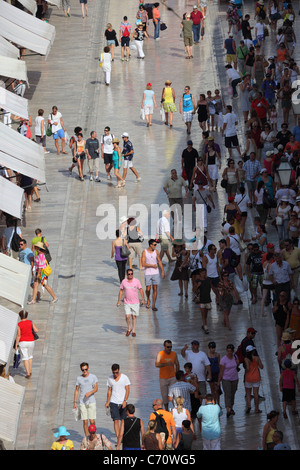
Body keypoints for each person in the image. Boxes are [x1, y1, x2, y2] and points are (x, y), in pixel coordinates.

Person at [105, 364, 131, 438]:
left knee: (123, 421)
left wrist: (125, 400)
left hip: (122, 402)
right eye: (114, 373)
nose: (115, 374)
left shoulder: (124, 378)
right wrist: (107, 401)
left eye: (116, 372)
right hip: (113, 402)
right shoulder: (110, 378)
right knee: (116, 420)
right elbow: (109, 390)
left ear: (119, 370)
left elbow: (127, 389)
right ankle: (118, 438)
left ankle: (123, 436)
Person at [117, 268, 145, 337]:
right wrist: (119, 300)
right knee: (127, 316)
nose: (130, 275)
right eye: (129, 274)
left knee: (134, 316)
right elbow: (121, 291)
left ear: (133, 274)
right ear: (127, 274)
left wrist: (143, 299)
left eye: (131, 274)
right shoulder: (124, 281)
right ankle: (129, 328)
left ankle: (134, 330)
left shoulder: (136, 281)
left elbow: (140, 290)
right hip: (127, 302)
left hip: (135, 302)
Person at [73, 362, 98, 437]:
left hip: (91, 401)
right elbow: (76, 390)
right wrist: (74, 402)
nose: (84, 371)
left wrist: (90, 393)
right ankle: (87, 438)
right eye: (83, 370)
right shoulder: (79, 378)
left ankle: (93, 435)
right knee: (85, 421)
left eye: (86, 369)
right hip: (82, 402)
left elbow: (96, 388)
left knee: (92, 421)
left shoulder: (93, 377)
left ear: (88, 368)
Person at [155, 340, 179, 410]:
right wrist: (166, 364)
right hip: (163, 378)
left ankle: (176, 409)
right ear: (164, 347)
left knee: (175, 395)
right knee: (165, 396)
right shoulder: (160, 354)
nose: (169, 349)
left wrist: (177, 375)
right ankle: (166, 410)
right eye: (168, 347)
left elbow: (177, 364)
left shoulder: (174, 354)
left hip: (172, 377)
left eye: (171, 347)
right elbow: (156, 364)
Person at [142, 239, 165, 311]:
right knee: (148, 289)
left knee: (155, 288)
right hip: (148, 273)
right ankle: (148, 299)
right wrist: (152, 266)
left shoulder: (156, 252)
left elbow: (159, 261)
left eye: (156, 245)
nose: (156, 246)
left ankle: (153, 305)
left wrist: (163, 271)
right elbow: (143, 264)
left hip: (155, 273)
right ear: (150, 245)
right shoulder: (144, 252)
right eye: (154, 245)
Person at [15, 310, 38, 379]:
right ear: (26, 316)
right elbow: (36, 330)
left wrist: (16, 345)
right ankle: (30, 371)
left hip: (23, 342)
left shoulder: (19, 324)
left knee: (25, 357)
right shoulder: (30, 322)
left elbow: (18, 335)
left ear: (20, 316)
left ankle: (27, 373)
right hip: (31, 341)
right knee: (30, 356)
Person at [217, 344, 239, 418]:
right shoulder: (223, 360)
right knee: (227, 394)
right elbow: (221, 371)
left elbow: (237, 365)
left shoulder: (235, 357)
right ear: (226, 351)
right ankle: (228, 409)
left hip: (235, 378)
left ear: (233, 351)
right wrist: (218, 381)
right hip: (226, 379)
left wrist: (237, 362)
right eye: (228, 351)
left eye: (230, 351)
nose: (229, 352)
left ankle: (231, 407)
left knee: (233, 393)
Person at [244, 345, 264, 414]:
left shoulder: (246, 359)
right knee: (256, 394)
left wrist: (246, 370)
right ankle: (257, 409)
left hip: (248, 378)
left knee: (248, 393)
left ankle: (249, 406)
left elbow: (248, 369)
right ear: (252, 351)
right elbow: (261, 367)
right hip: (256, 377)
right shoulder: (257, 358)